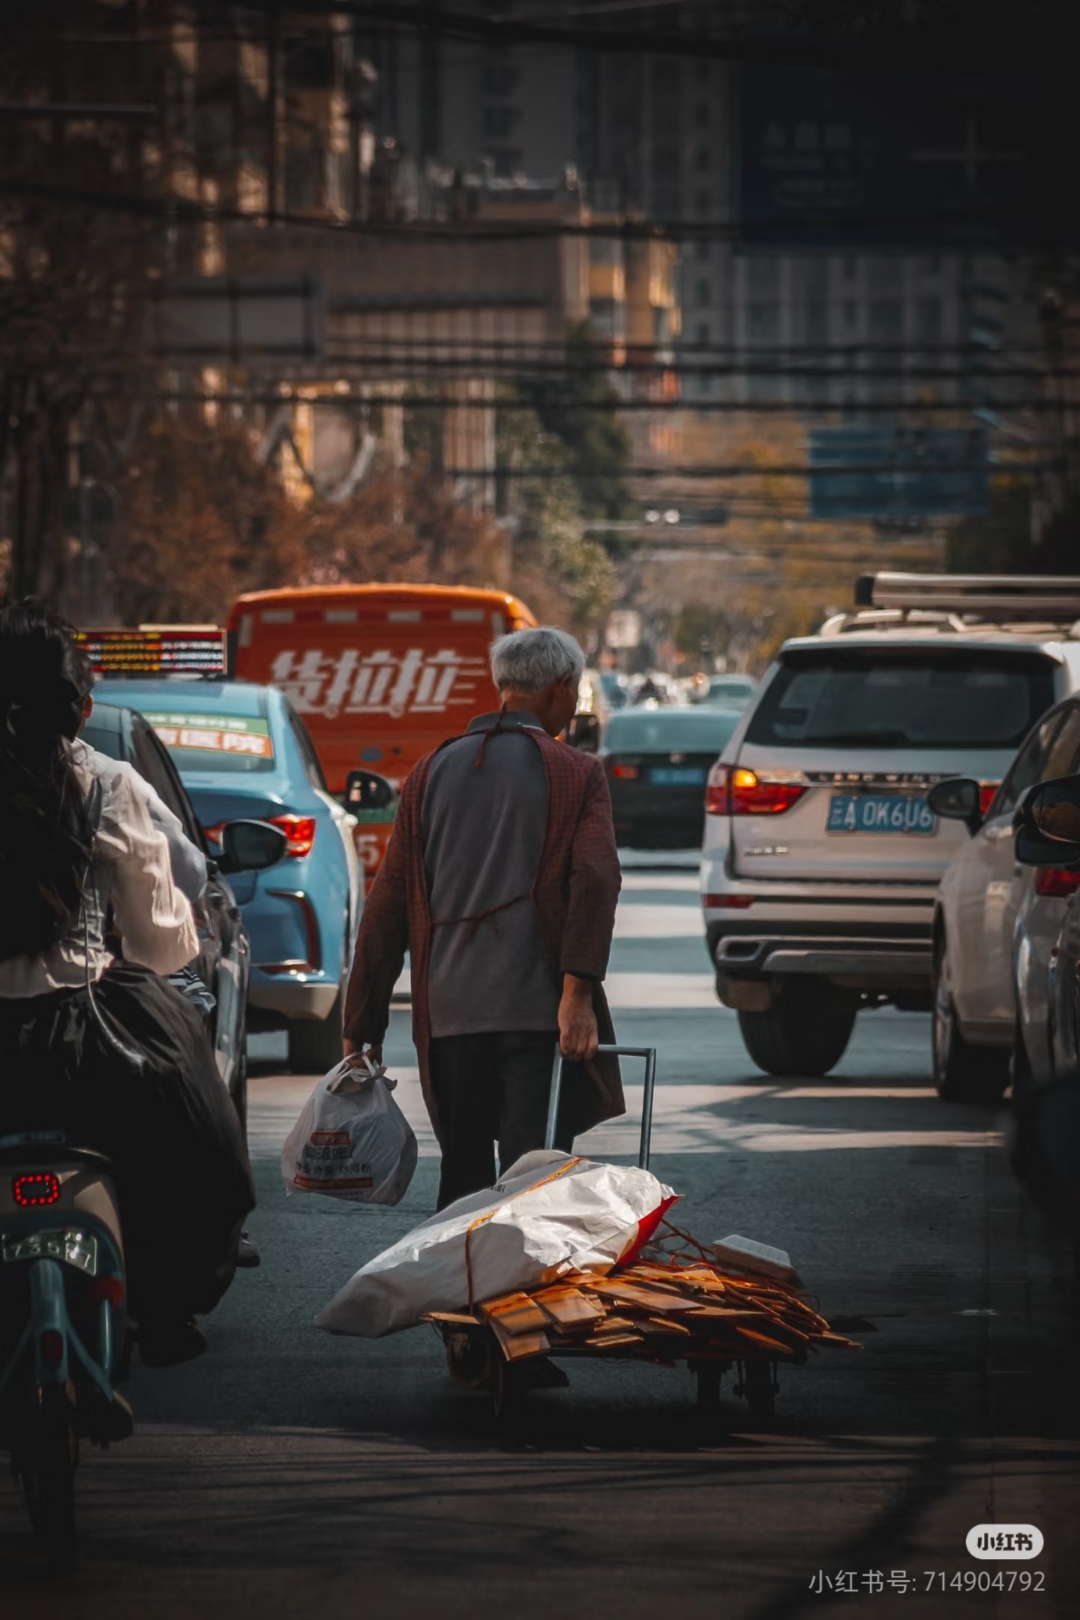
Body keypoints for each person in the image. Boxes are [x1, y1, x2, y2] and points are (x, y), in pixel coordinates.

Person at [0, 601, 255, 1365]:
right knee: (201, 1151)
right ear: (82, 706)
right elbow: (160, 941)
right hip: (80, 1042)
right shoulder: (111, 783)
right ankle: (165, 1310)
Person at [343, 625, 624, 1210]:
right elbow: (595, 879)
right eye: (573, 696)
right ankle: (517, 1297)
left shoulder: (428, 772)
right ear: (560, 688)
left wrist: (360, 1029)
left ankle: (457, 1295)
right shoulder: (577, 772)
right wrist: (577, 996)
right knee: (531, 1182)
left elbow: (387, 903)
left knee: (464, 1178)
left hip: (449, 1017)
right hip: (536, 1013)